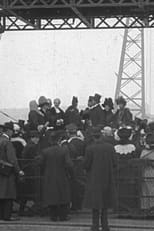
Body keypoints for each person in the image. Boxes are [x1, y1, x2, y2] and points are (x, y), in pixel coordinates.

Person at [83, 127, 117, 231]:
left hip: (94, 178)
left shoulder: (90, 148)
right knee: (105, 202)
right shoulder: (110, 147)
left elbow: (86, 165)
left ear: (93, 136)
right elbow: (115, 163)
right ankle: (105, 225)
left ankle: (95, 225)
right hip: (107, 177)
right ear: (102, 135)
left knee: (95, 203)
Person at [38, 131, 73, 221]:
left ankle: (53, 216)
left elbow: (40, 163)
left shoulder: (45, 151)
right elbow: (69, 164)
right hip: (62, 175)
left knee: (51, 195)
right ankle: (63, 216)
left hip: (49, 175)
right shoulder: (64, 150)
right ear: (59, 140)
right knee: (63, 195)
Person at [0, 122, 24, 221]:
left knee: (1, 193)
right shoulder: (7, 142)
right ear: (9, 131)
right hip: (7, 171)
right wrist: (19, 171)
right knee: (9, 193)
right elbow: (12, 159)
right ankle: (7, 216)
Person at [65, 123, 85, 211]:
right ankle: (79, 204)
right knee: (80, 185)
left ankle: (73, 205)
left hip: (71, 167)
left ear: (68, 133)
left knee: (72, 186)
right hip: (81, 167)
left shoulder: (67, 143)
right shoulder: (82, 142)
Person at [140, 132, 154, 212]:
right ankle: (149, 206)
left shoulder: (144, 152)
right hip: (147, 172)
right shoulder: (145, 151)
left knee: (147, 190)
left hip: (147, 172)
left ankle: (147, 206)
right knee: (148, 190)